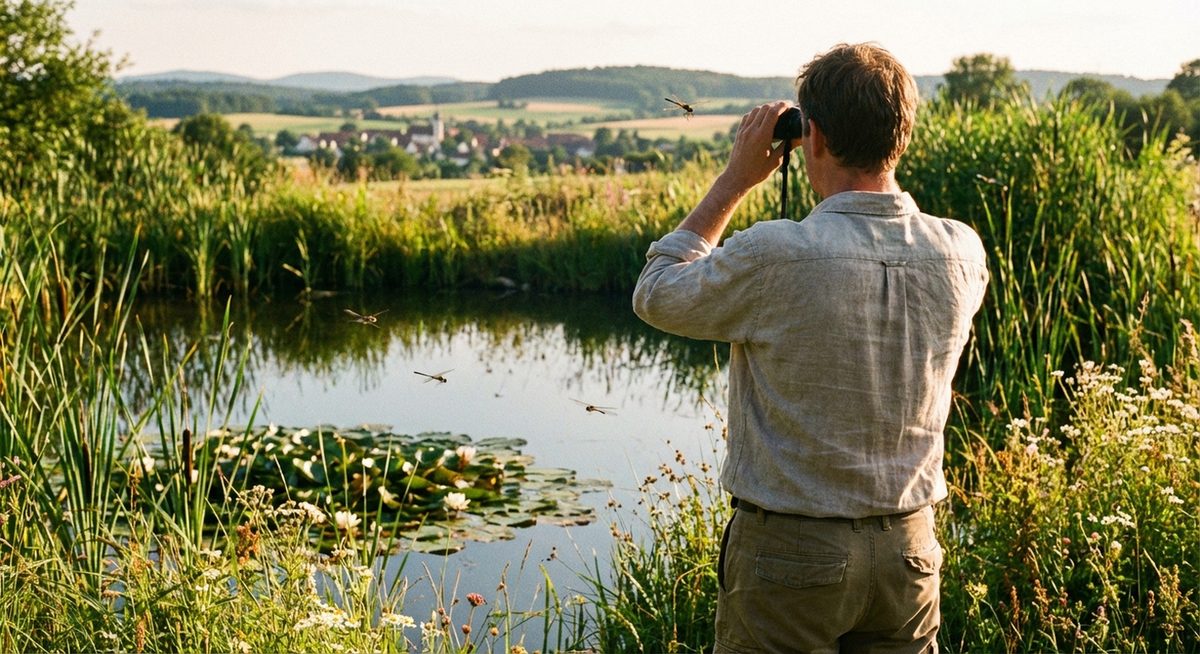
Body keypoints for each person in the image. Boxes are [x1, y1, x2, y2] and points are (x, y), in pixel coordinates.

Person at [632, 43, 989, 653]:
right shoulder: (961, 251)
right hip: (910, 552)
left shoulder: (778, 254)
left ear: (811, 136)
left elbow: (658, 292)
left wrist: (735, 179)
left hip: (791, 556)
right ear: (900, 136)